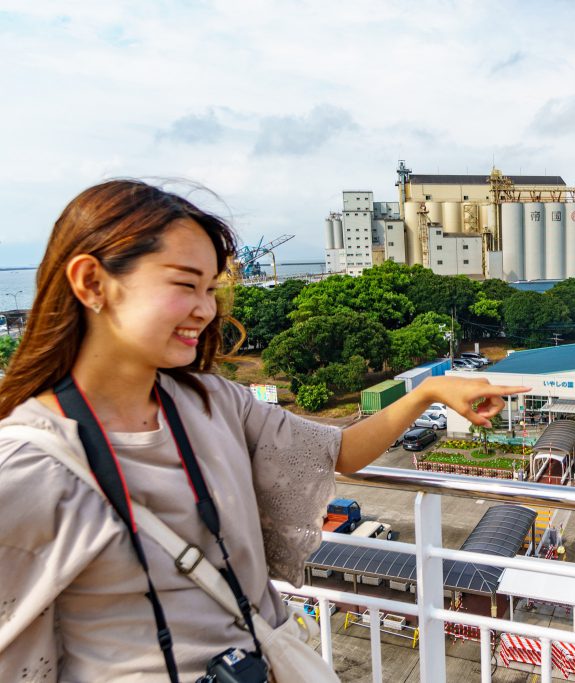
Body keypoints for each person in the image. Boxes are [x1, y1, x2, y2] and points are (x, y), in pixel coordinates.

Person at [0, 180, 529, 681]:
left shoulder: (213, 402)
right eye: (185, 285)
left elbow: (338, 451)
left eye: (210, 288)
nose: (206, 310)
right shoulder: (28, 467)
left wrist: (427, 393)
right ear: (91, 282)